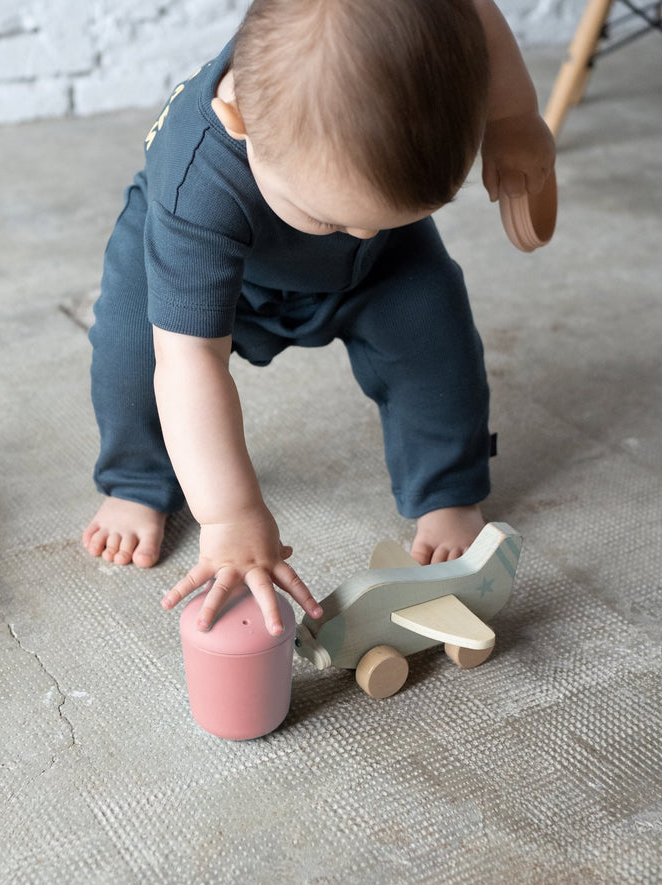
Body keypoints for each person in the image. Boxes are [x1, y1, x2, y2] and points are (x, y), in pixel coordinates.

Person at [82, 0, 555, 635]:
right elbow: (190, 362)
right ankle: (136, 480)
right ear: (240, 120)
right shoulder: (197, 189)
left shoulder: (369, 218)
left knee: (433, 332)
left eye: (395, 213)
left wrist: (513, 119)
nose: (357, 232)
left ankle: (445, 488)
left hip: (375, 269)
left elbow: (475, 12)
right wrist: (230, 517)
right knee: (134, 349)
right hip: (220, 263)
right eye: (335, 219)